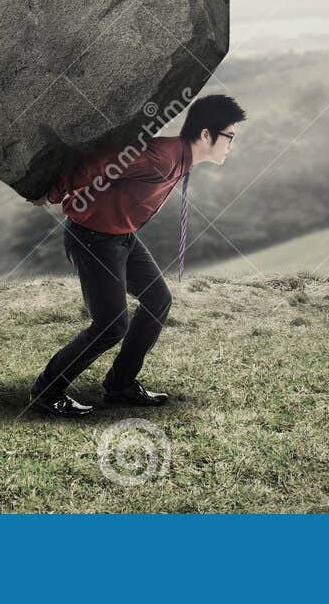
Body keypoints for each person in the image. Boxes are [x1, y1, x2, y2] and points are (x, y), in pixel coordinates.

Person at [28, 93, 245, 418]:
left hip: (120, 237)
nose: (231, 145)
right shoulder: (162, 157)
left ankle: (120, 386)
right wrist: (53, 192)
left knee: (158, 300)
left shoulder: (181, 160)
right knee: (111, 325)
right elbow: (103, 163)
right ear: (205, 135)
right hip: (92, 238)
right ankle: (47, 392)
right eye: (230, 137)